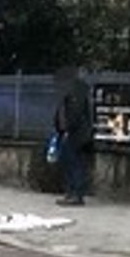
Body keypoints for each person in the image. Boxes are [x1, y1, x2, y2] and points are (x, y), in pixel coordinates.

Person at [51, 66, 93, 205]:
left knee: (74, 164)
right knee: (68, 162)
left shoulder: (77, 92)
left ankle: (76, 194)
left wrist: (68, 129)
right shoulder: (70, 93)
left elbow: (75, 114)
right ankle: (71, 192)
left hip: (76, 134)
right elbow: (62, 112)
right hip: (69, 133)